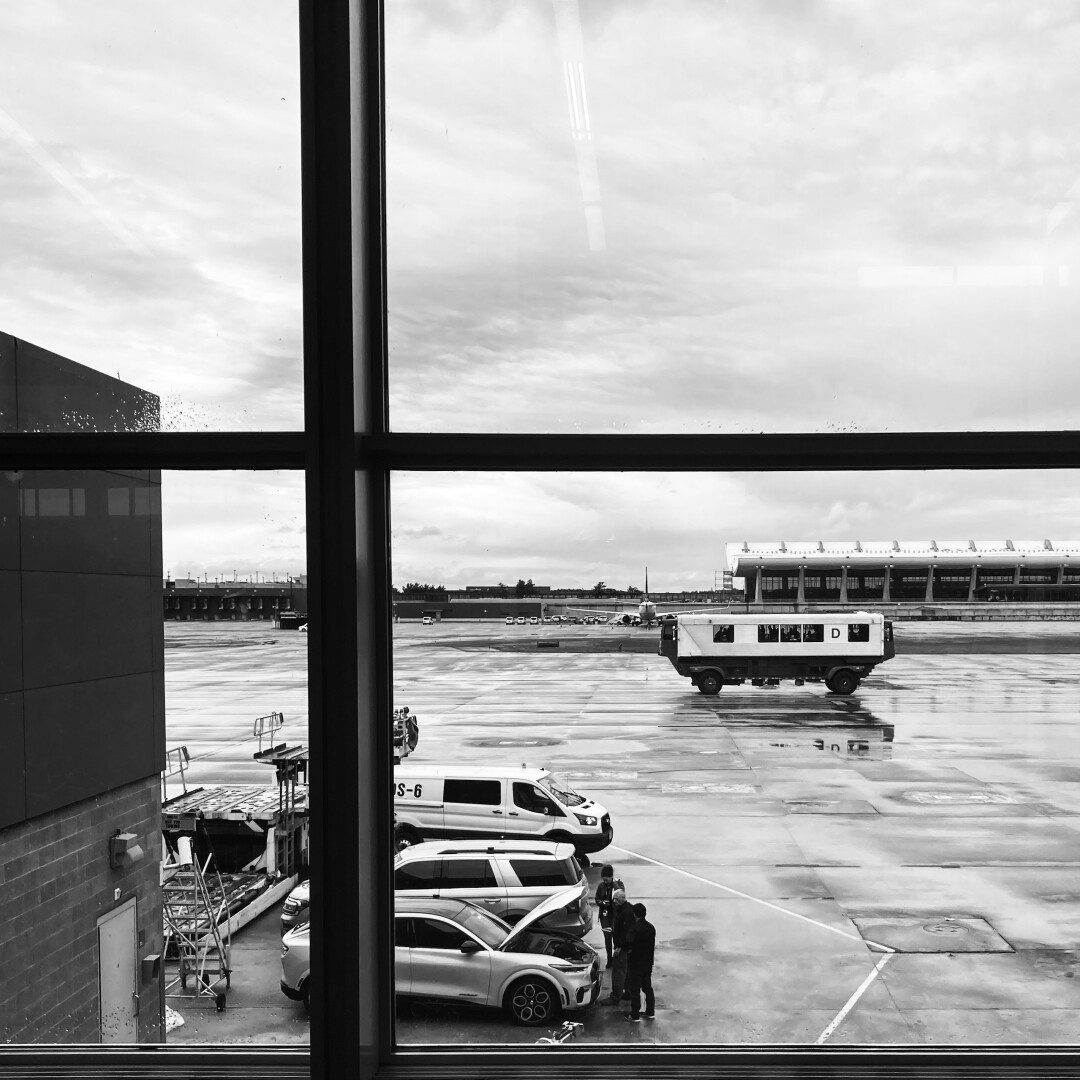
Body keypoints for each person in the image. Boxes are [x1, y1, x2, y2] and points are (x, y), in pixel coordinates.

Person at [623, 902, 656, 1022]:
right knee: (648, 988)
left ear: (635, 914)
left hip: (636, 963)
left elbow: (628, 944)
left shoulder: (634, 929)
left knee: (635, 989)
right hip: (647, 962)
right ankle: (650, 1011)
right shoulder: (651, 928)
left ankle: (635, 1014)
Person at [604, 888, 635, 1004]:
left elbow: (626, 932)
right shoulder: (629, 909)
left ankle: (615, 996)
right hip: (628, 948)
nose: (614, 902)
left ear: (620, 900)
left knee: (618, 971)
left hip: (622, 948)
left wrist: (619, 946)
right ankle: (628, 992)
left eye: (615, 900)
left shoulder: (624, 913)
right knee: (626, 971)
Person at [594, 864, 624, 968]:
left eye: (606, 880)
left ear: (611, 877)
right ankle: (609, 958)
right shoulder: (601, 886)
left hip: (615, 915)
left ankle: (616, 957)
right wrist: (602, 903)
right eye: (604, 880)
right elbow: (596, 899)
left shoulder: (617, 887)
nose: (605, 882)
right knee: (607, 938)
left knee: (616, 936)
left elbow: (622, 900)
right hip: (605, 915)